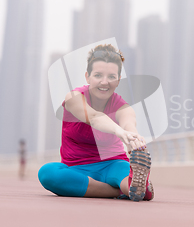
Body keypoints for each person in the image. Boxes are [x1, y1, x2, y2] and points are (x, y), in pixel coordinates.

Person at [38, 44, 154, 201]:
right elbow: (93, 117)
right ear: (87, 76)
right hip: (76, 169)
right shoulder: (74, 98)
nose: (104, 82)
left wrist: (132, 137)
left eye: (112, 77)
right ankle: (121, 191)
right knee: (47, 173)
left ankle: (135, 186)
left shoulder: (122, 107)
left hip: (113, 164)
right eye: (98, 75)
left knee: (128, 179)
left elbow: (129, 124)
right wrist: (119, 132)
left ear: (119, 80)